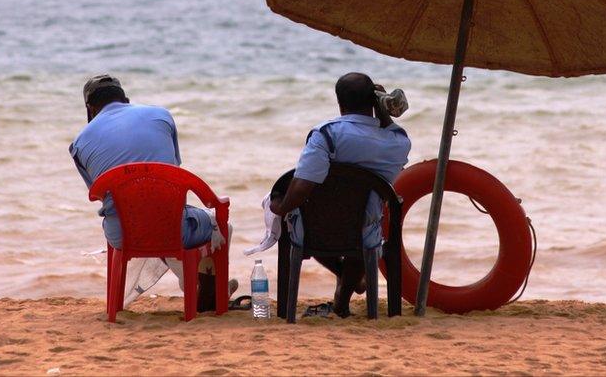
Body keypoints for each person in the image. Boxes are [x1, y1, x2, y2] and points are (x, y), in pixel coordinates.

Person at [69, 74, 234, 311]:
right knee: (219, 227)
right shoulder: (161, 115)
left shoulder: (78, 143)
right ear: (125, 99)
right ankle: (206, 287)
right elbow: (172, 171)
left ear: (90, 109)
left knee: (147, 219)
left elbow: (98, 193)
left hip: (122, 234)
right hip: (172, 227)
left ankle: (196, 286)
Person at [269, 72, 411, 317]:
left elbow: (302, 187)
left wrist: (280, 208)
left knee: (295, 209)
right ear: (375, 100)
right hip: (365, 233)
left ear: (339, 102)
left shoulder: (327, 134)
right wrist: (382, 111)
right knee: (363, 219)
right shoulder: (397, 141)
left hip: (313, 230)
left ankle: (343, 287)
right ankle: (343, 298)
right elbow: (392, 131)